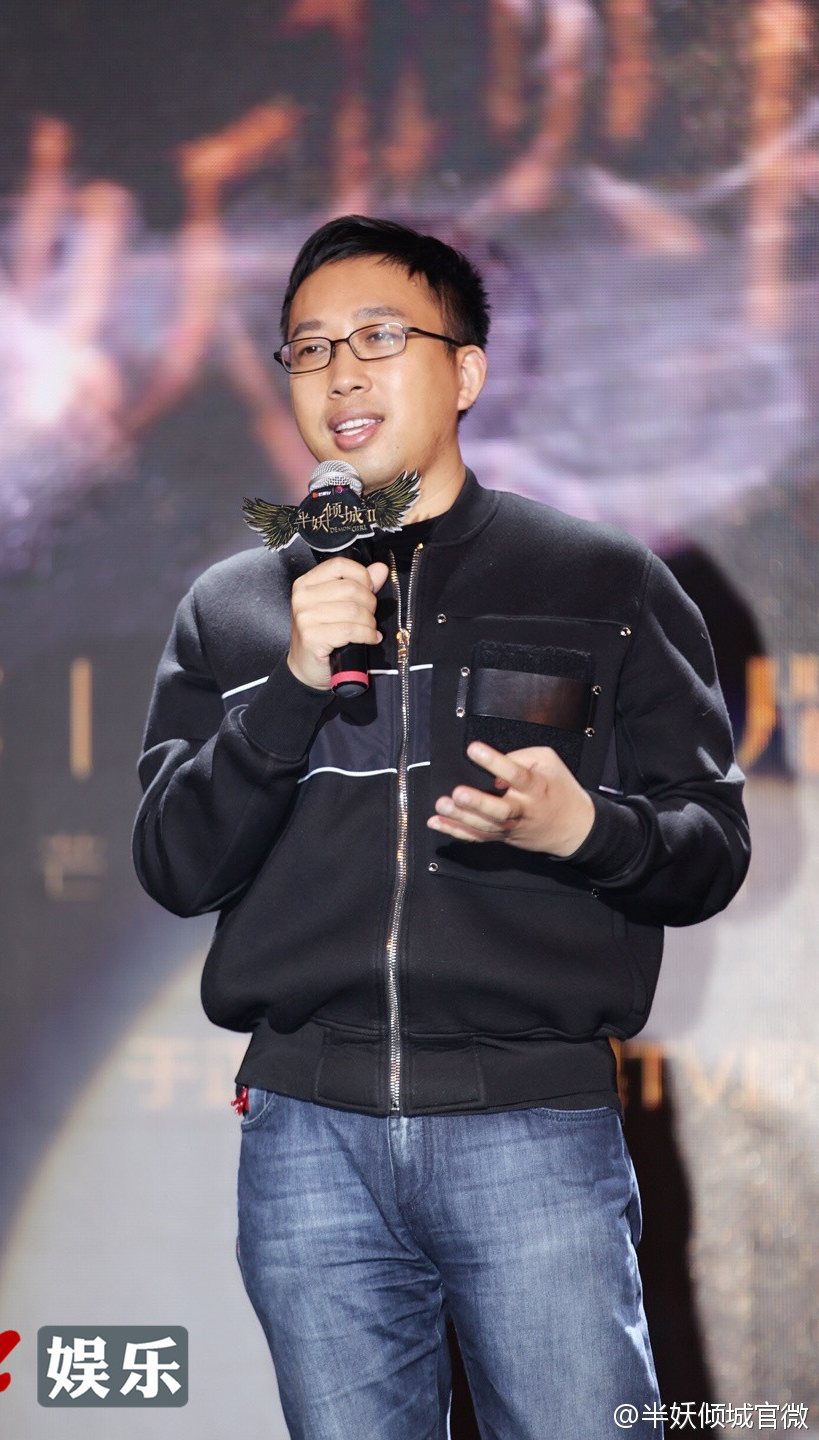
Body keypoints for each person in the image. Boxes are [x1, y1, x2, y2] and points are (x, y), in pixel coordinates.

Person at [133, 214, 750, 1440]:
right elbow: (175, 862)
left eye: (378, 338)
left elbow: (710, 846)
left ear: (466, 371)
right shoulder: (237, 607)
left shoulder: (602, 581)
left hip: (530, 1129)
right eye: (310, 348)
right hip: (308, 1138)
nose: (340, 374)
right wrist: (293, 686)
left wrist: (585, 832)